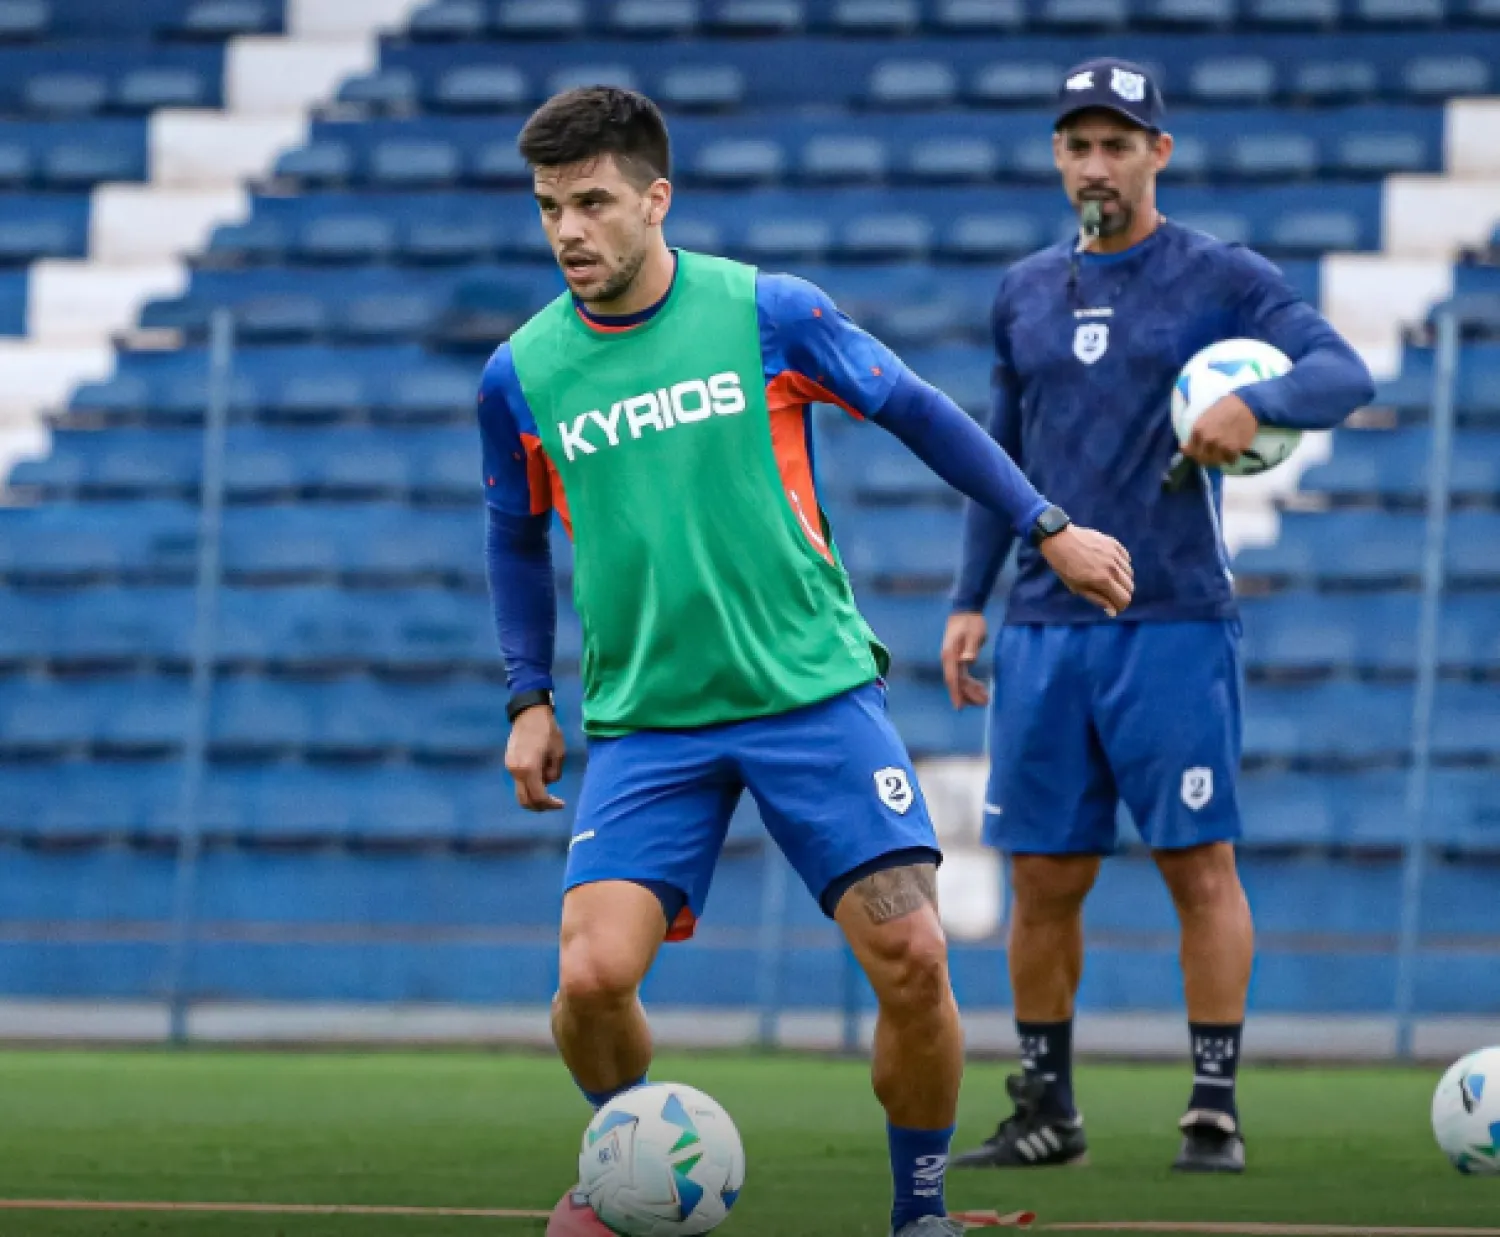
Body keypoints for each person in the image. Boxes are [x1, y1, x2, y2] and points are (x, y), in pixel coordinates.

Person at [479, 86, 1134, 1237]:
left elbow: (920, 411)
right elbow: (513, 533)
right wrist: (530, 695)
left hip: (811, 694)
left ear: (655, 199)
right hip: (649, 720)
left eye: (591, 203)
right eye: (548, 209)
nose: (568, 232)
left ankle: (920, 1213)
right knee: (587, 983)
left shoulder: (767, 313)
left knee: (915, 956)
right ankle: (638, 1159)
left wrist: (1049, 526)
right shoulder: (522, 373)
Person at [942, 58, 1376, 1175]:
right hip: (1041, 628)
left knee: (1198, 863)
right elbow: (1000, 456)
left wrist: (1256, 400)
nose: (1097, 162)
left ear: (1158, 154)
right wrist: (966, 600)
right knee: (1041, 877)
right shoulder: (1024, 291)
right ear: (1057, 156)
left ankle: (1213, 1103)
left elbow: (1345, 371)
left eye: (1119, 143)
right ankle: (1047, 1107)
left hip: (1174, 618)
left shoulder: (1219, 278)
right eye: (1078, 144)